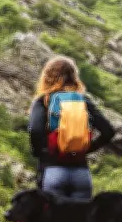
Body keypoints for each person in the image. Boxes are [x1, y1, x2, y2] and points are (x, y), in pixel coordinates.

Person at [28, 56, 115, 201]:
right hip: (81, 174)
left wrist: (41, 152)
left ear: (47, 77)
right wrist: (86, 149)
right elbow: (108, 131)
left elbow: (35, 130)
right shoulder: (82, 100)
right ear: (74, 77)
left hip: (53, 171)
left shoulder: (44, 101)